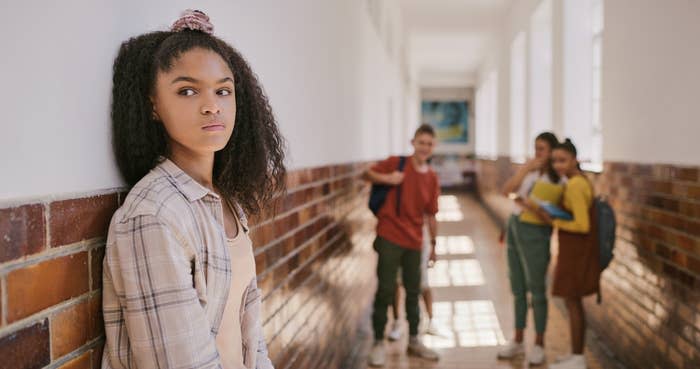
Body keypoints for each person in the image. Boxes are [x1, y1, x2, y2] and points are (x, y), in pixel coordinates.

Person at [102, 10, 285, 369]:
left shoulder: (227, 201)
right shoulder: (153, 215)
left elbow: (252, 337)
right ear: (154, 105)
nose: (211, 105)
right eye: (187, 90)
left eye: (223, 90)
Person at [365, 124, 441, 367]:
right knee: (386, 289)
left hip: (415, 240)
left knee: (414, 291)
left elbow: (431, 215)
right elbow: (367, 174)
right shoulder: (396, 163)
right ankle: (378, 342)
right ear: (413, 142)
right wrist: (388, 178)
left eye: (429, 144)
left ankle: (415, 340)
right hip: (389, 236)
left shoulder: (431, 177)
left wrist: (434, 244)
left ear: (433, 147)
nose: (425, 147)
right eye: (421, 142)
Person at [497, 132, 563, 366]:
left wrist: (529, 206)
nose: (537, 154)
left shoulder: (559, 180)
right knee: (517, 287)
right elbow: (506, 191)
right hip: (516, 227)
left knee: (536, 290)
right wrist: (526, 168)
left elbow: (555, 218)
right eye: (535, 148)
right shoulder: (531, 173)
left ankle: (539, 343)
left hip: (535, 234)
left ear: (553, 151)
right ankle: (517, 339)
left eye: (542, 149)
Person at [537, 139, 599, 369]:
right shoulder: (577, 181)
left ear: (575, 159)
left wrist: (554, 221)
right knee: (572, 301)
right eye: (554, 161)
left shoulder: (575, 185)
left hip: (577, 251)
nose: (558, 165)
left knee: (573, 302)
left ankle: (578, 358)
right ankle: (575, 354)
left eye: (563, 160)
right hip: (574, 249)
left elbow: (582, 225)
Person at [387, 223, 443, 342]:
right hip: (397, 236)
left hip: (419, 239)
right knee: (396, 282)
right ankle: (397, 323)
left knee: (423, 283)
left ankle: (430, 320)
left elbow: (431, 216)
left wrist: (433, 246)